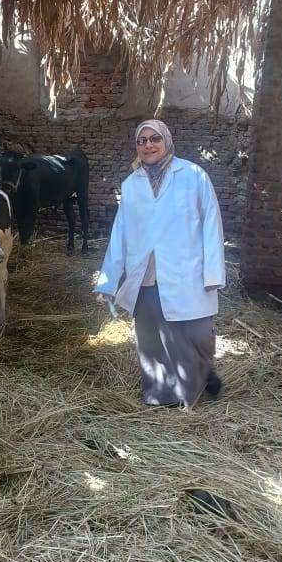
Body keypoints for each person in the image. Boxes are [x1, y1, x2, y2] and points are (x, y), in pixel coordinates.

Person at [94, 118, 226, 409]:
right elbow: (120, 234)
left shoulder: (193, 175)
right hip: (146, 275)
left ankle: (195, 387)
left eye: (155, 139)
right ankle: (159, 396)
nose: (148, 145)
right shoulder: (131, 185)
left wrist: (213, 273)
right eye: (142, 141)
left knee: (196, 335)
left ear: (167, 141)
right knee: (152, 339)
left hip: (188, 271)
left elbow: (211, 224)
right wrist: (108, 280)